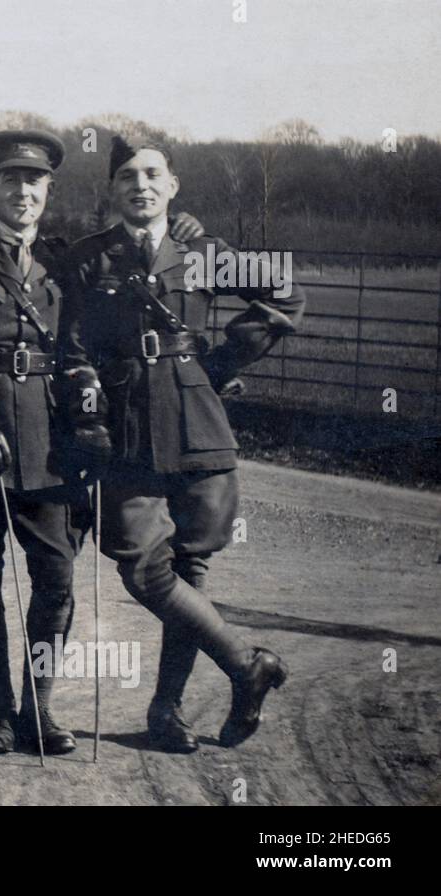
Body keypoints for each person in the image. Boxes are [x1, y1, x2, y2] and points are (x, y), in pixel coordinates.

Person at [0, 131, 208, 755]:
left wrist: (91, 423)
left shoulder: (63, 263)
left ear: (48, 190)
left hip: (47, 447)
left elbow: (83, 354)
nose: (23, 192)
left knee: (56, 580)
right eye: (9, 181)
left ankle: (37, 708)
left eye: (35, 182)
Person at [58, 135, 305, 752]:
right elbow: (72, 347)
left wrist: (221, 361)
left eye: (151, 175)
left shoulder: (201, 253)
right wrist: (89, 402)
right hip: (127, 430)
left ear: (172, 186)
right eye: (126, 178)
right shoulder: (91, 258)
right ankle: (245, 663)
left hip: (198, 422)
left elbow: (287, 296)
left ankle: (166, 714)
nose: (139, 185)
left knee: (192, 566)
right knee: (144, 568)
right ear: (112, 192)